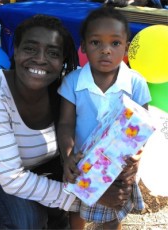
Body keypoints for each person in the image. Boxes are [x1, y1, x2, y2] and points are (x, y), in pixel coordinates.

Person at [0, 14, 79, 229]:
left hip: (44, 164)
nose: (40, 59)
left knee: (58, 215)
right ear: (16, 51)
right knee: (27, 221)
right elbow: (12, 178)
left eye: (53, 53)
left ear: (63, 61)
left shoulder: (64, 90)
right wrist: (78, 199)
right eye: (30, 48)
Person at [57, 6, 151, 230]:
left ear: (126, 48)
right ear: (83, 46)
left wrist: (136, 158)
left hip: (118, 165)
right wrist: (68, 156)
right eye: (96, 42)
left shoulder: (135, 82)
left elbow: (142, 126)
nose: (105, 50)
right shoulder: (73, 82)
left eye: (115, 43)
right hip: (82, 164)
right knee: (77, 212)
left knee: (113, 214)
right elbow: (65, 123)